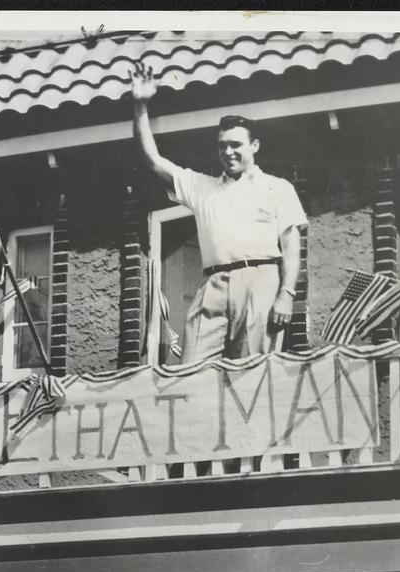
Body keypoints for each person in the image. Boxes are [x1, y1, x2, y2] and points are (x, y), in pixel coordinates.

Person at [131, 61, 308, 363]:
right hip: (213, 283)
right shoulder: (204, 187)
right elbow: (153, 161)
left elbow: (291, 246)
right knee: (190, 370)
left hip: (260, 281)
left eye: (236, 145)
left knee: (251, 374)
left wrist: (286, 295)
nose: (228, 152)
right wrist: (140, 106)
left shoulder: (277, 188)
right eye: (222, 146)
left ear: (254, 145)